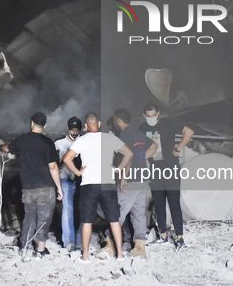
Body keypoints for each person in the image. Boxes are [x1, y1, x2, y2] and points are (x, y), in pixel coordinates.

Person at [63, 112, 134, 263]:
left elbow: (66, 158)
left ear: (86, 126)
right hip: (107, 183)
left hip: (89, 184)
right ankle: (120, 254)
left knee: (87, 221)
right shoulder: (110, 138)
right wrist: (118, 168)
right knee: (114, 220)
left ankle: (85, 256)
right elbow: (129, 153)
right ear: (99, 124)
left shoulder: (81, 140)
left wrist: (78, 172)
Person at [0, 112, 63, 261]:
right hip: (46, 187)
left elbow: (8, 148)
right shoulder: (48, 143)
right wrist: (59, 187)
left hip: (28, 188)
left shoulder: (22, 140)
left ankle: (24, 249)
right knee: (44, 219)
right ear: (44, 126)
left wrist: (0, 147)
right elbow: (53, 167)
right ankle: (40, 251)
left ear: (31, 123)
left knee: (29, 218)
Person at [139, 103, 194, 250]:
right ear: (144, 115)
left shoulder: (168, 124)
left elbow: (189, 132)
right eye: (148, 116)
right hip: (155, 170)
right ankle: (162, 235)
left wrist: (177, 149)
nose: (151, 118)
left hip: (170, 169)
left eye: (154, 115)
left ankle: (180, 238)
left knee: (174, 204)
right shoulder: (142, 128)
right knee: (159, 204)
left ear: (158, 113)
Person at [113, 108, 158, 257]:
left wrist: (124, 177)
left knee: (117, 212)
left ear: (119, 120)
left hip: (131, 179)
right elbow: (154, 146)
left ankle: (110, 245)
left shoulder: (124, 134)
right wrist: (143, 158)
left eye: (115, 120)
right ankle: (140, 248)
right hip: (143, 178)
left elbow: (129, 155)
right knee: (139, 213)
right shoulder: (138, 133)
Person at [54, 116, 83, 252]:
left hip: (81, 180)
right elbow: (53, 164)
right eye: (72, 130)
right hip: (65, 180)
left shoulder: (84, 142)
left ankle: (80, 240)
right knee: (68, 209)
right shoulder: (59, 143)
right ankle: (69, 242)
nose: (74, 133)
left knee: (82, 211)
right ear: (68, 129)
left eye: (77, 130)